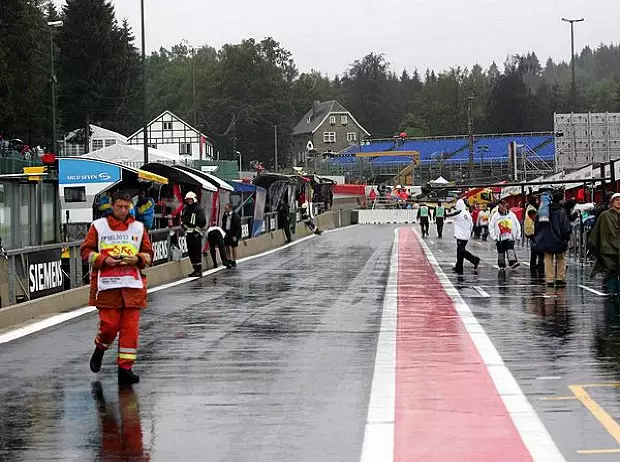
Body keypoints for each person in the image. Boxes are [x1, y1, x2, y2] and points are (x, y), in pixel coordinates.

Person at [81, 191, 153, 385]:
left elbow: (148, 254)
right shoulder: (98, 227)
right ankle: (100, 348)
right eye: (119, 206)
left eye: (126, 207)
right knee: (109, 327)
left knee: (130, 331)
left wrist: (137, 258)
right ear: (112, 206)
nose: (123, 210)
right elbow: (86, 252)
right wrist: (104, 260)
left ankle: (125, 369)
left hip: (132, 288)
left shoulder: (138, 228)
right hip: (108, 287)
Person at [533, 191, 572, 287]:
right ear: (560, 200)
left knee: (548, 259)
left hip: (546, 239)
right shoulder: (561, 211)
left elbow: (537, 225)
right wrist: (566, 237)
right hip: (559, 239)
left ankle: (549, 279)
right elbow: (565, 227)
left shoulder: (544, 211)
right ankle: (560, 278)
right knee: (560, 258)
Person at [589, 192, 620, 295]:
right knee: (611, 271)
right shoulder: (604, 216)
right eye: (617, 200)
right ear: (612, 202)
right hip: (608, 250)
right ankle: (612, 293)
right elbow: (596, 233)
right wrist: (595, 248)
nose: (619, 202)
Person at [447, 199, 480, 275]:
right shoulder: (467, 213)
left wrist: (447, 212)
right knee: (460, 251)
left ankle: (474, 260)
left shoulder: (458, 213)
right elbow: (471, 224)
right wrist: (469, 233)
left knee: (461, 251)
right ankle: (459, 267)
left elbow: (449, 215)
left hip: (460, 236)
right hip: (466, 235)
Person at [489, 200, 522, 270]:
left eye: (504, 205)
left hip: (509, 237)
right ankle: (501, 265)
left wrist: (518, 235)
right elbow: (491, 227)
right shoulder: (495, 216)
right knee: (501, 252)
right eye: (502, 205)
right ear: (499, 205)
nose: (503, 206)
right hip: (500, 238)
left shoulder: (511, 215)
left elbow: (517, 224)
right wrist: (494, 237)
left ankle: (512, 262)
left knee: (510, 249)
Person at [182, 191, 206, 277]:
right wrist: (184, 226)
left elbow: (202, 221)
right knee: (191, 252)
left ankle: (199, 270)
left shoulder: (198, 209)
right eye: (187, 200)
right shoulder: (186, 209)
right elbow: (184, 220)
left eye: (190, 199)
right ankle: (195, 269)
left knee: (196, 253)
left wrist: (196, 231)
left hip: (196, 235)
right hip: (188, 235)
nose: (189, 201)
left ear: (194, 199)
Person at [525, 196, 544, 276]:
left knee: (534, 251)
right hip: (534, 231)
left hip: (532, 232)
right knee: (539, 251)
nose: (537, 201)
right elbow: (531, 221)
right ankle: (539, 266)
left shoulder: (531, 207)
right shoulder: (532, 209)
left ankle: (534, 265)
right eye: (536, 200)